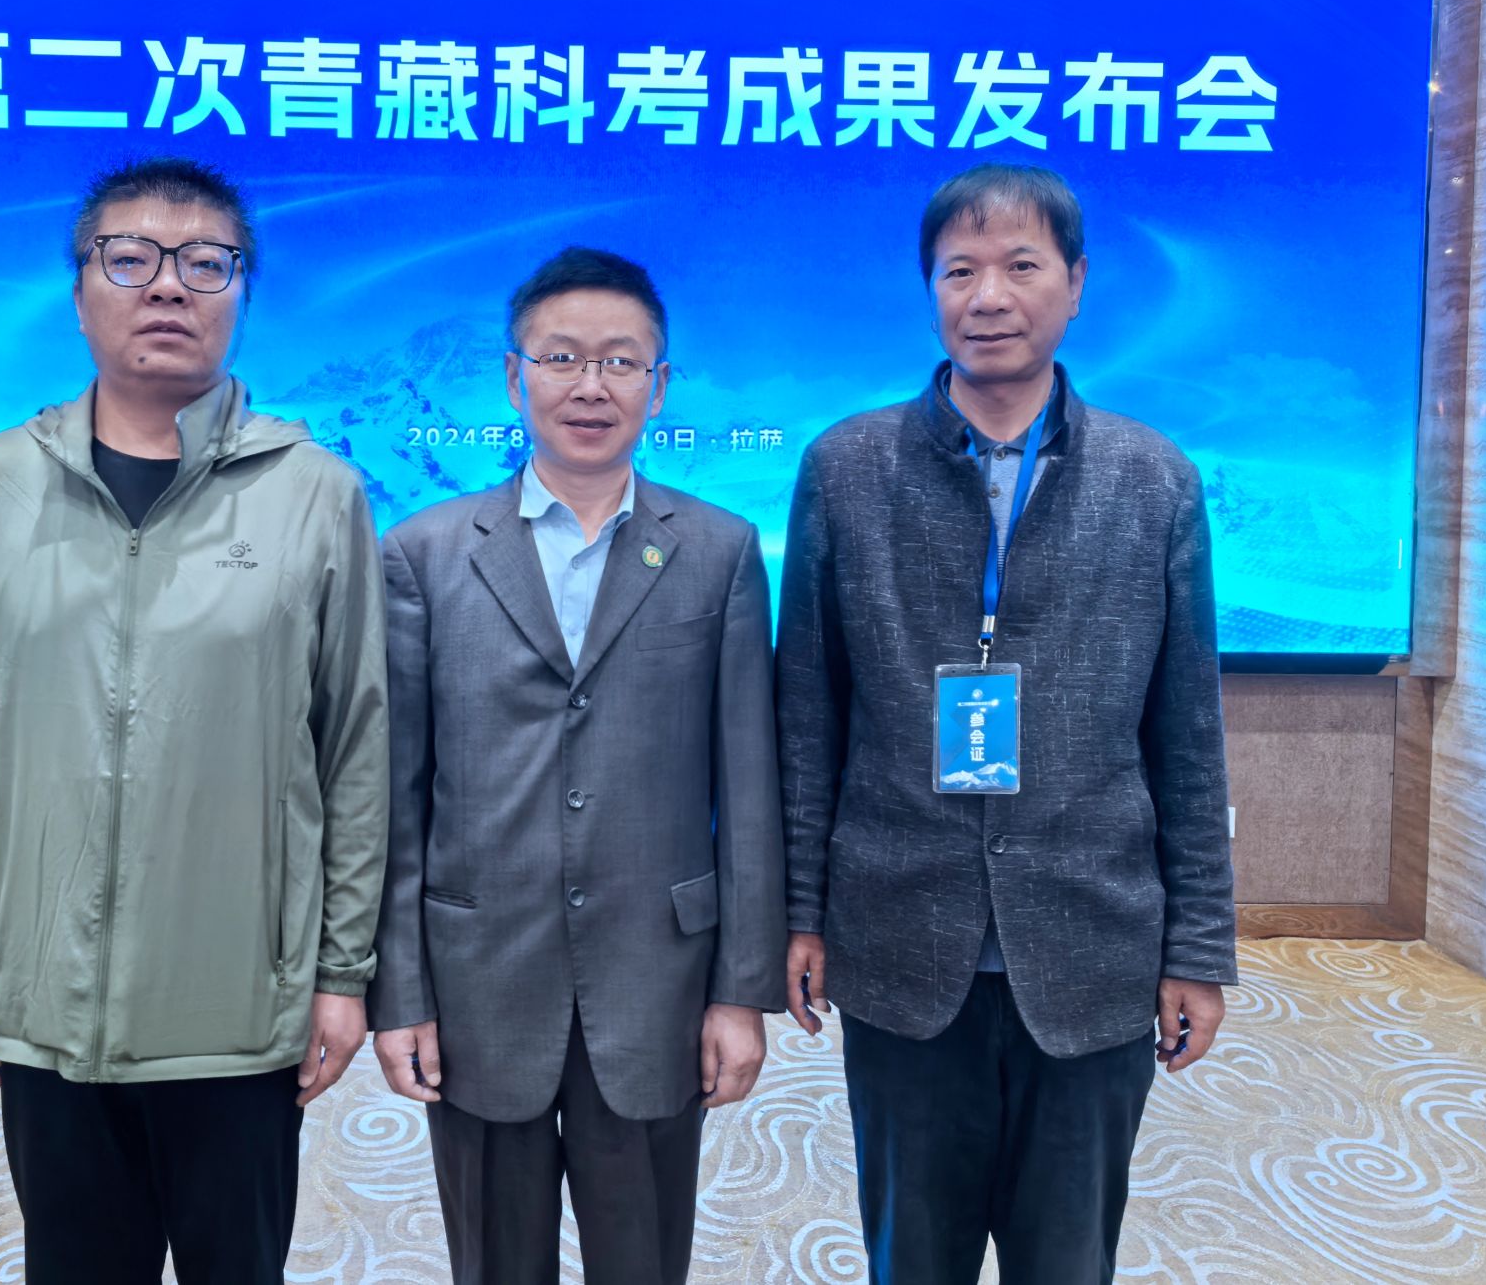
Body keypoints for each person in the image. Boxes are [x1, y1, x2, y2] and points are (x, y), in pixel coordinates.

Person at [0, 156, 389, 1284]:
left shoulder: (315, 493)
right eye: (129, 258)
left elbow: (355, 747)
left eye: (206, 262)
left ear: (242, 294)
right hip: (45, 999)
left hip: (240, 1004)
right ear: (80, 292)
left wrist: (342, 972)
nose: (167, 284)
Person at [777, 164, 1237, 1285]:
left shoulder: (1152, 480)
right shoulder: (845, 469)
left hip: (1093, 945)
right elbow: (806, 721)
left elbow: (1185, 736)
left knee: (1066, 1261)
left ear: (1074, 284)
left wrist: (1196, 947)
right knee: (912, 1259)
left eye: (1021, 265)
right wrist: (797, 914)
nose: (988, 295)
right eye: (959, 270)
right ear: (929, 290)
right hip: (898, 937)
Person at [367, 247, 786, 1285]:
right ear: (514, 377)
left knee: (642, 1260)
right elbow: (395, 800)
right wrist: (399, 994)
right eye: (561, 358)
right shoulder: (422, 552)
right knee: (494, 1263)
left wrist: (740, 993)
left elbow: (748, 791)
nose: (589, 385)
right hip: (477, 979)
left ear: (659, 385)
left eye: (619, 361)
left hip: (657, 981)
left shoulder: (720, 550)